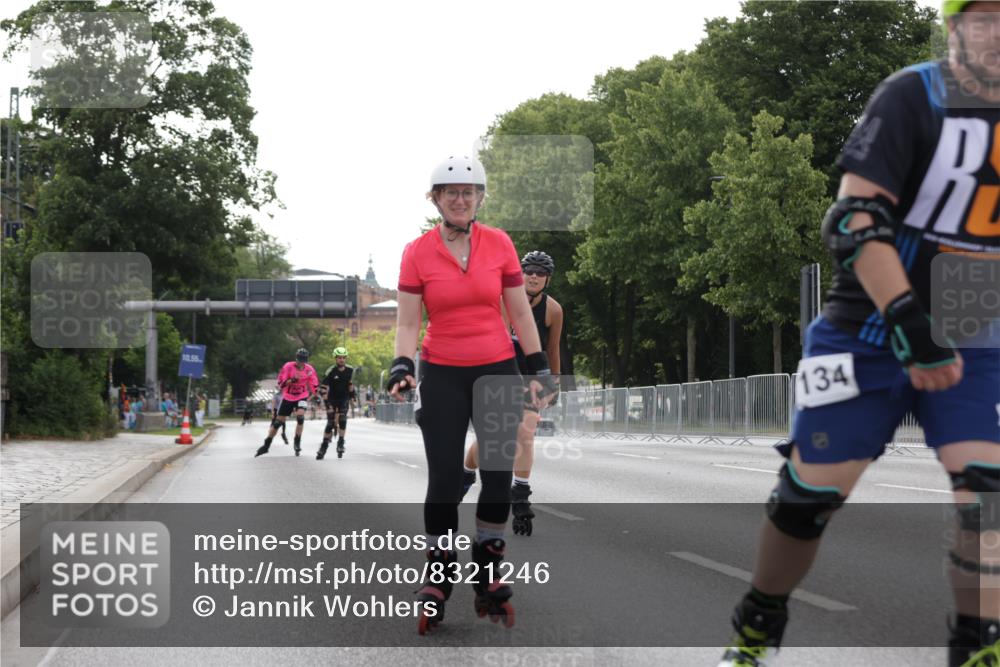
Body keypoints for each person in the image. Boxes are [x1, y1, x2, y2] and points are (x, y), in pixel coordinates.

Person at [717, 3, 1000, 664]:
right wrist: (908, 322)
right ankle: (759, 619)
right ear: (955, 28)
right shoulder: (915, 95)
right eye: (983, 17)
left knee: (985, 490)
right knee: (808, 497)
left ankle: (978, 644)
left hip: (970, 325)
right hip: (869, 325)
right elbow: (853, 220)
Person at [387, 155, 558, 635]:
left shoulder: (500, 244)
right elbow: (406, 320)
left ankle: (487, 571)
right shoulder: (416, 251)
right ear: (435, 199)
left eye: (468, 192)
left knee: (498, 475)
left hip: (497, 368)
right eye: (450, 192)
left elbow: (521, 315)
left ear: (480, 198)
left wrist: (538, 367)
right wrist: (403, 364)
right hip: (441, 371)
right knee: (444, 478)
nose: (460, 200)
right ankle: (439, 575)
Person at [460, 250, 564, 536]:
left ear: (547, 279)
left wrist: (554, 383)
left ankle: (520, 493)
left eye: (540, 272)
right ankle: (466, 474)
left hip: (533, 377)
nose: (533, 275)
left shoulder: (553, 310)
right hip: (501, 373)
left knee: (525, 433)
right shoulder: (504, 300)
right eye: (529, 270)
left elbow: (552, 349)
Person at [255, 348, 318, 457]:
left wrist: (317, 392)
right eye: (299, 360)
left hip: (302, 396)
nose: (301, 363)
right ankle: (266, 445)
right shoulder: (288, 366)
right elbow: (281, 383)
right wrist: (292, 380)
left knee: (300, 417)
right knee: (278, 423)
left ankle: (297, 442)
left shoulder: (309, 369)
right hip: (288, 396)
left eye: (303, 361)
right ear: (296, 359)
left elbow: (314, 383)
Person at [317, 347, 355, 460]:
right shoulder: (330, 371)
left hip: (344, 399)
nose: (342, 360)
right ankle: (323, 447)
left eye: (343, 358)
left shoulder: (350, 370)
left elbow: (350, 384)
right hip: (332, 399)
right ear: (335, 358)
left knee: (343, 420)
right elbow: (322, 389)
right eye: (339, 358)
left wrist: (353, 396)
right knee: (330, 424)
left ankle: (341, 443)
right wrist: (327, 405)